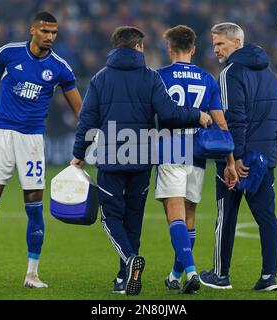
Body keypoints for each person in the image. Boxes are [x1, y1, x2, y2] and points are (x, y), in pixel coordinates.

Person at [70, 26, 212, 296]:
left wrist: (79, 154)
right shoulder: (150, 78)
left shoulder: (100, 79)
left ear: (115, 47)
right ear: (137, 47)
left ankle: (128, 263)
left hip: (112, 157)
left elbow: (87, 121)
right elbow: (169, 114)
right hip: (143, 157)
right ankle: (124, 277)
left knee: (110, 217)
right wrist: (197, 115)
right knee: (134, 218)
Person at [0, 12, 82, 289]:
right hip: (2, 136)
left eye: (54, 33)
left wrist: (86, 144)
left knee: (33, 208)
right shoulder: (9, 53)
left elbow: (81, 110)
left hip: (32, 141)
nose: (50, 37)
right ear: (33, 30)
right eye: (45, 31)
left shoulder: (60, 67)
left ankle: (32, 274)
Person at [200, 23, 277, 291]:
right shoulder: (269, 73)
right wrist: (271, 152)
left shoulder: (230, 73)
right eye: (214, 44)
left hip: (235, 162)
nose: (215, 49)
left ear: (237, 43)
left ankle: (220, 275)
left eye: (220, 44)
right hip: (262, 162)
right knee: (267, 218)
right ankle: (269, 277)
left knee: (225, 215)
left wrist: (235, 158)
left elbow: (232, 120)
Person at [154, 25, 237, 294]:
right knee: (189, 214)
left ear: (169, 49)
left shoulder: (159, 77)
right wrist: (231, 160)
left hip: (170, 148)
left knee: (174, 214)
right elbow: (222, 125)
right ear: (193, 49)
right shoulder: (207, 79)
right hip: (198, 152)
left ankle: (190, 272)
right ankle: (175, 274)